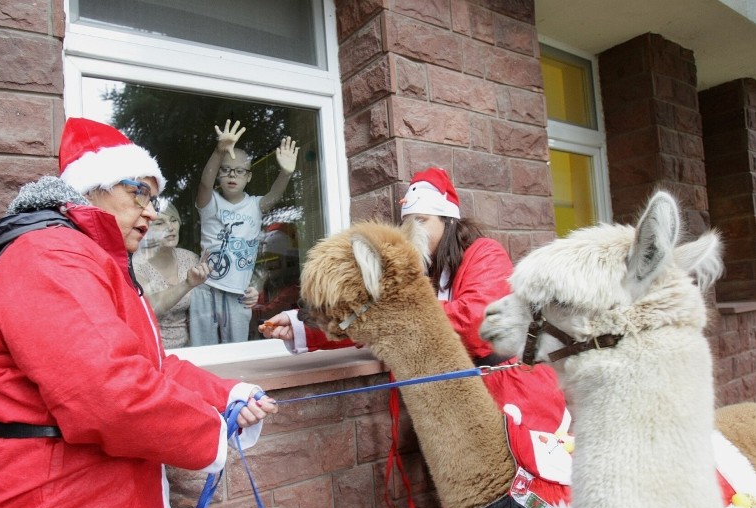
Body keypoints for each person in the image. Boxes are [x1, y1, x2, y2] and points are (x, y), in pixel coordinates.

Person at [0, 117, 278, 508]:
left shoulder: (88, 259)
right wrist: (206, 433)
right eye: (137, 192)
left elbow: (150, 367)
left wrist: (228, 394)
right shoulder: (51, 256)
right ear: (91, 188)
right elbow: (108, 392)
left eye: (155, 197)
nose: (150, 211)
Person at [259, 167, 566, 430]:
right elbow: (371, 321)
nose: (414, 230)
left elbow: (476, 324)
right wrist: (301, 325)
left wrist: (395, 312)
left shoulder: (485, 253)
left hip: (515, 398)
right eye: (410, 223)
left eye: (423, 220)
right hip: (462, 410)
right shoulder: (422, 272)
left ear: (447, 220)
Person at [191, 119, 299, 345]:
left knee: (238, 348)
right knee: (204, 350)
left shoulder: (255, 205)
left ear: (248, 176)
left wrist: (286, 173)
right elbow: (204, 184)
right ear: (219, 174)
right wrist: (219, 151)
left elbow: (275, 195)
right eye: (226, 170)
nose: (232, 175)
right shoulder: (211, 203)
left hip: (240, 293)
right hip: (206, 289)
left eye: (239, 171)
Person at [132, 202, 258, 348]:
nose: (170, 227)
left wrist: (246, 292)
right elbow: (151, 306)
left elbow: (217, 292)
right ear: (146, 228)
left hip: (194, 351)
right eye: (160, 223)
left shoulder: (189, 258)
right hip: (155, 352)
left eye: (174, 220)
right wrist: (187, 284)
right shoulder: (136, 265)